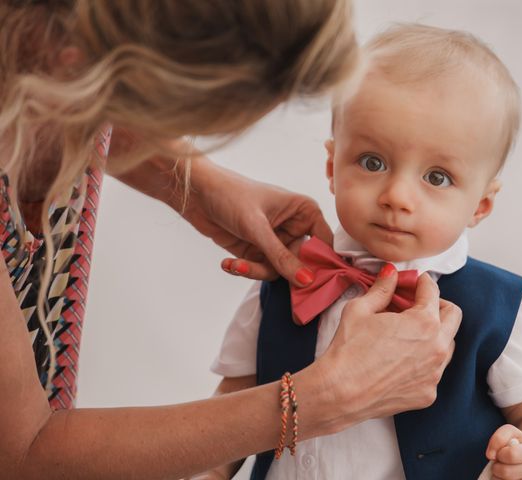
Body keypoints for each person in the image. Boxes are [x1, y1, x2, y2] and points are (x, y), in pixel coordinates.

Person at [0, 3, 463, 479]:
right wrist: (323, 399)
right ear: (76, 64)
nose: (398, 197)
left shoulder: (492, 303)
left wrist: (195, 184)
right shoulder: (274, 304)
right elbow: (19, 454)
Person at [207, 24, 522, 480]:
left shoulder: (498, 307)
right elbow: (234, 399)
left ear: (481, 204)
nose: (396, 196)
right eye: (372, 162)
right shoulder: (289, 277)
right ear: (331, 165)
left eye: (436, 177)